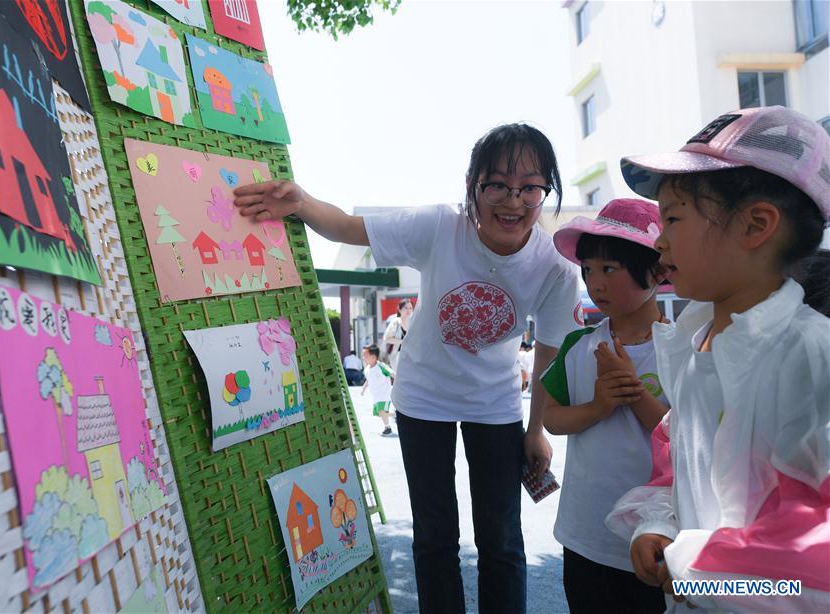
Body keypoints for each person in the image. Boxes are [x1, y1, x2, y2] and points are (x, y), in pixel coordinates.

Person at [234, 123, 582, 613]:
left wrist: (536, 429)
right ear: (473, 187)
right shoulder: (440, 226)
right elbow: (351, 228)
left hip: (495, 405)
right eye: (497, 184)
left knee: (502, 541)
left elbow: (548, 351)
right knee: (435, 536)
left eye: (530, 186)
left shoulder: (556, 268)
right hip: (423, 399)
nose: (513, 200)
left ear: (546, 191)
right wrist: (302, 202)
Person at [604, 106, 830, 612]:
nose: (659, 240)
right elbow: (680, 472)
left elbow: (813, 569)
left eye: (675, 217)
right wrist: (659, 524)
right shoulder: (692, 345)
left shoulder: (810, 356)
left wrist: (696, 571)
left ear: (755, 225)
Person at [542, 198, 670, 613]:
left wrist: (630, 391)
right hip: (584, 534)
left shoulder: (684, 348)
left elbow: (687, 437)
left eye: (609, 269)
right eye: (589, 270)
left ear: (656, 269)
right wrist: (598, 406)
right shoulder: (579, 345)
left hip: (657, 535)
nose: (595, 283)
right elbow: (552, 419)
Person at [361, 344, 394, 435]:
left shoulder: (381, 366)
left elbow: (392, 373)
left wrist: (400, 383)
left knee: (381, 410)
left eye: (366, 356)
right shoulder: (367, 369)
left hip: (384, 394)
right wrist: (363, 389)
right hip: (376, 395)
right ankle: (394, 415)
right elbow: (368, 380)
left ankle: (388, 428)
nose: (364, 358)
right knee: (377, 413)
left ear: (373, 357)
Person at [383, 298, 413, 370]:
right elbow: (386, 338)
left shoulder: (413, 323)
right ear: (400, 309)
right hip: (397, 356)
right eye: (405, 308)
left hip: (410, 356)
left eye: (410, 308)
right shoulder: (395, 322)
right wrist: (402, 342)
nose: (408, 310)